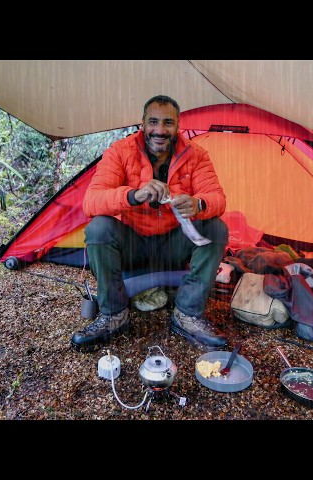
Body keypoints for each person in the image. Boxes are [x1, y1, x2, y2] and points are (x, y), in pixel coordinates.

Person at [71, 95, 229, 352]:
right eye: (153, 122)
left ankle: (187, 315)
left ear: (178, 126)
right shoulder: (120, 151)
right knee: (99, 227)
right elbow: (91, 201)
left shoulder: (196, 155)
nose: (160, 130)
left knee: (216, 227)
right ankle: (113, 315)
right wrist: (134, 195)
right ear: (142, 124)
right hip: (133, 244)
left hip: (173, 246)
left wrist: (198, 204)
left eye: (168, 123)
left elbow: (217, 198)